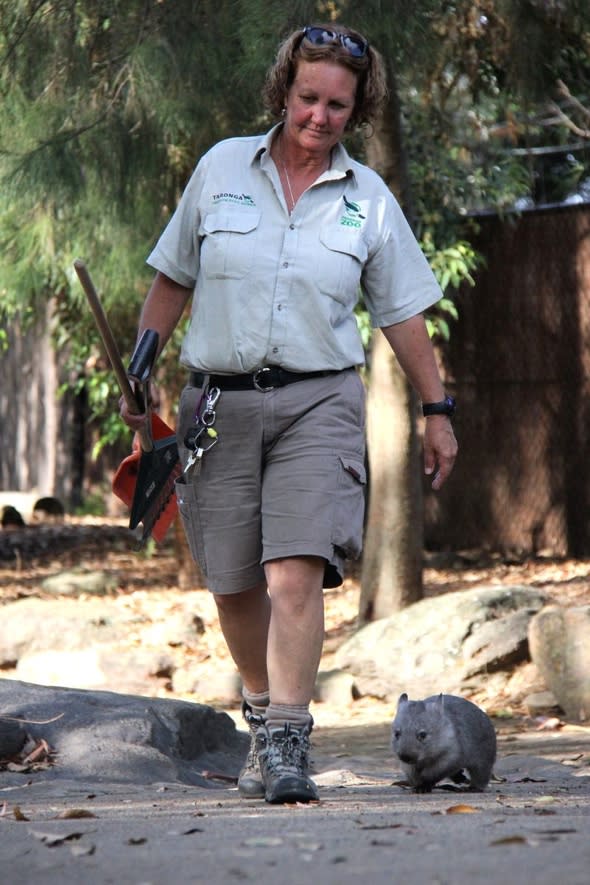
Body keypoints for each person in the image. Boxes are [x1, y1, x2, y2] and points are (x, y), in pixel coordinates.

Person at [120, 23, 458, 805]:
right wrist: (140, 368)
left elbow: (403, 315)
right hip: (218, 404)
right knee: (234, 582)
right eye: (309, 96)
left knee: (293, 573)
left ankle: (286, 739)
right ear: (283, 91)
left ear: (356, 110)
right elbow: (173, 279)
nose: (320, 115)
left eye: (338, 104)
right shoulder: (220, 169)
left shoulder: (367, 199)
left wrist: (437, 408)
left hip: (320, 402)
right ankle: (260, 707)